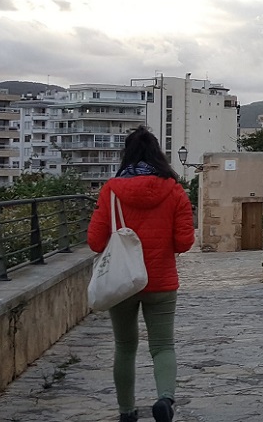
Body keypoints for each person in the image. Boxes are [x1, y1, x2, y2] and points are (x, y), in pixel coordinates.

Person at [88, 126, 194, 422]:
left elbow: (95, 242)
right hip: (160, 281)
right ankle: (165, 399)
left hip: (122, 282)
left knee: (124, 347)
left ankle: (126, 412)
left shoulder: (111, 191)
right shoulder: (174, 190)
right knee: (162, 346)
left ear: (127, 155)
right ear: (158, 154)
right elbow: (184, 243)